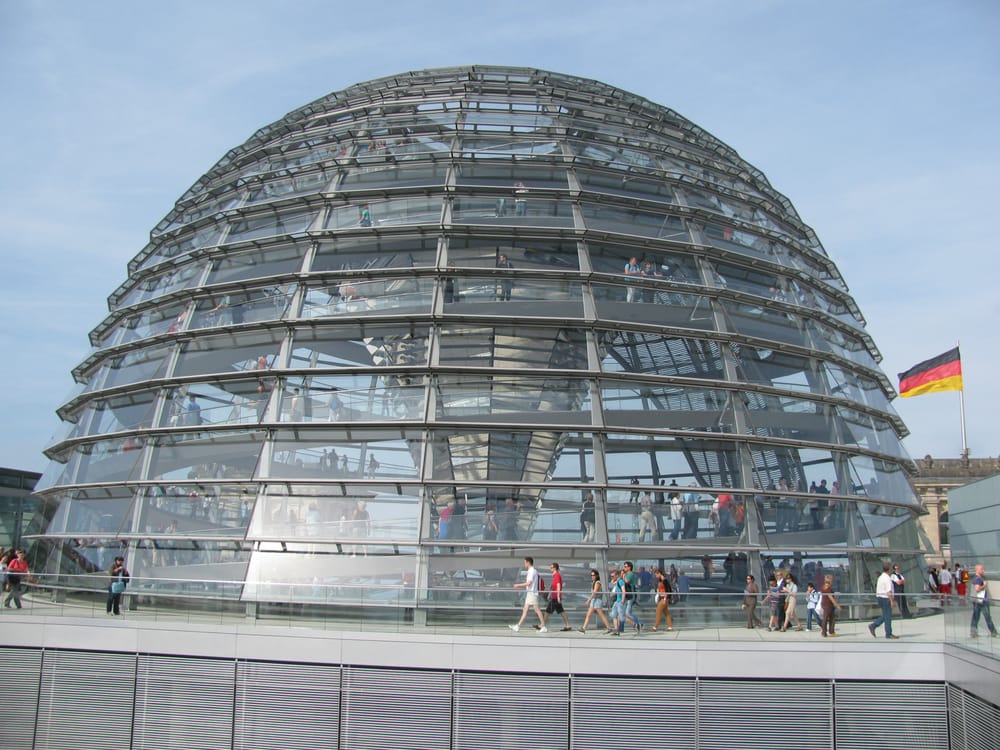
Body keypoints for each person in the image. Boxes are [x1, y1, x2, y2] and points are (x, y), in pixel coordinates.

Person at [509, 556, 546, 632]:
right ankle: (518, 626)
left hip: (532, 593)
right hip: (531, 593)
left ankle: (543, 626)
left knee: (536, 610)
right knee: (526, 610)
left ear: (528, 562)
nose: (524, 564)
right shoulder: (534, 571)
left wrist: (518, 585)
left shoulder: (531, 571)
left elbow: (529, 583)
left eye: (525, 562)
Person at [868, 562, 899, 639]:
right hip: (885, 598)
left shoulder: (881, 577)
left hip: (880, 598)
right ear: (889, 569)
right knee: (888, 616)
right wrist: (892, 601)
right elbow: (889, 591)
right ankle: (888, 633)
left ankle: (874, 626)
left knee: (886, 615)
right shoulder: (887, 578)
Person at [541, 562, 573, 631]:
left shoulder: (557, 575)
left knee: (547, 612)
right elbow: (553, 588)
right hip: (554, 597)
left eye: (551, 567)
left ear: (555, 568)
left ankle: (542, 625)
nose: (550, 569)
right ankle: (568, 625)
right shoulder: (555, 576)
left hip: (555, 597)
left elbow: (558, 586)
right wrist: (549, 595)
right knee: (561, 611)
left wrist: (558, 596)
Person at [969, 564, 998, 638]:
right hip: (982, 601)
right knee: (987, 617)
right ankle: (993, 632)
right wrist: (985, 585)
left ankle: (973, 633)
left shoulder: (975, 578)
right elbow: (977, 589)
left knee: (975, 617)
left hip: (977, 601)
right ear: (977, 570)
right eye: (982, 569)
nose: (983, 570)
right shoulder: (978, 579)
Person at [579, 569, 611, 634]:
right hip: (594, 600)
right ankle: (584, 628)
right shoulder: (594, 582)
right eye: (591, 575)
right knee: (589, 614)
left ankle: (609, 628)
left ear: (597, 575)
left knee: (601, 615)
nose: (592, 576)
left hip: (597, 601)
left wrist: (588, 600)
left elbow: (594, 592)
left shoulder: (597, 582)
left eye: (593, 575)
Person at [620, 561, 644, 634]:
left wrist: (623, 575)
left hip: (631, 595)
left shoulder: (630, 574)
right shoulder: (626, 574)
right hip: (626, 595)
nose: (624, 568)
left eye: (626, 566)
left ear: (629, 567)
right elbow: (622, 582)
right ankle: (638, 624)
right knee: (625, 612)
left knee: (627, 613)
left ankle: (639, 623)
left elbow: (626, 581)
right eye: (624, 566)